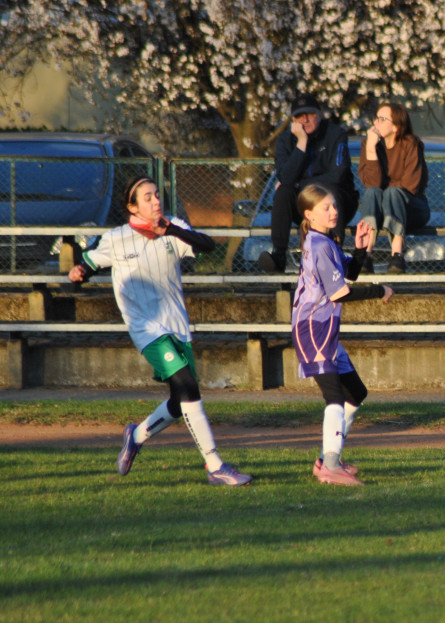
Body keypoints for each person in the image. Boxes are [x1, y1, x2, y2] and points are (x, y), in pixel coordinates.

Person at [69, 176, 251, 486]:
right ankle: (215, 466)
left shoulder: (173, 227)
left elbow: (207, 246)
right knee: (189, 386)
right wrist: (80, 272)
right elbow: (89, 262)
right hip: (146, 329)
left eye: (157, 195)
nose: (156, 201)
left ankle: (136, 435)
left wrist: (173, 230)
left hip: (177, 326)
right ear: (132, 206)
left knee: (179, 402)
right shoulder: (117, 238)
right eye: (148, 197)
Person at [291, 184, 395, 486]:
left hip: (325, 330)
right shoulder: (320, 244)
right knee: (335, 398)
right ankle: (330, 466)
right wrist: (380, 291)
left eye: (334, 206)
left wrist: (360, 250)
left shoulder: (324, 241)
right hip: (314, 328)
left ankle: (327, 458)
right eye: (326, 208)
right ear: (309, 214)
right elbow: (340, 293)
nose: (334, 211)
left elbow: (347, 275)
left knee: (355, 393)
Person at [258, 93, 359, 273]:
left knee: (329, 192)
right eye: (299, 116)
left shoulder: (336, 134)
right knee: (283, 192)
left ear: (319, 114)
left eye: (309, 114)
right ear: (293, 120)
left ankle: (335, 252)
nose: (304, 120)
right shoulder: (285, 140)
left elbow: (337, 175)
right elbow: (285, 178)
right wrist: (301, 143)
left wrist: (300, 184)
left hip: (339, 204)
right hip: (305, 207)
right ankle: (279, 254)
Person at [357, 102, 430, 274]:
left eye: (383, 119)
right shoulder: (369, 145)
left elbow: (411, 184)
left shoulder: (410, 144)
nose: (376, 123)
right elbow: (372, 184)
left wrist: (387, 191)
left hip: (412, 208)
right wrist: (370, 149)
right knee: (372, 192)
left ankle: (397, 255)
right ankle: (365, 255)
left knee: (392, 192)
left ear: (396, 126)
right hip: (382, 209)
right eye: (376, 118)